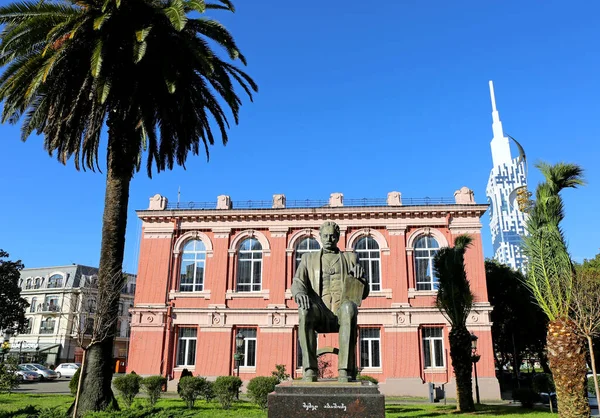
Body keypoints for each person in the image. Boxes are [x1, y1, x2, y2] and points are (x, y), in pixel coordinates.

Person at [291, 221, 369, 382]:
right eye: (325, 235)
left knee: (349, 309)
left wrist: (361, 278)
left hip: (341, 309)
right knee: (304, 312)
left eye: (332, 236)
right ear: (320, 236)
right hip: (318, 310)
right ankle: (310, 369)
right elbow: (298, 282)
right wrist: (299, 294)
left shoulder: (350, 258)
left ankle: (345, 370)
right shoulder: (308, 258)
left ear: (338, 237)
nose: (329, 239)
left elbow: (364, 294)